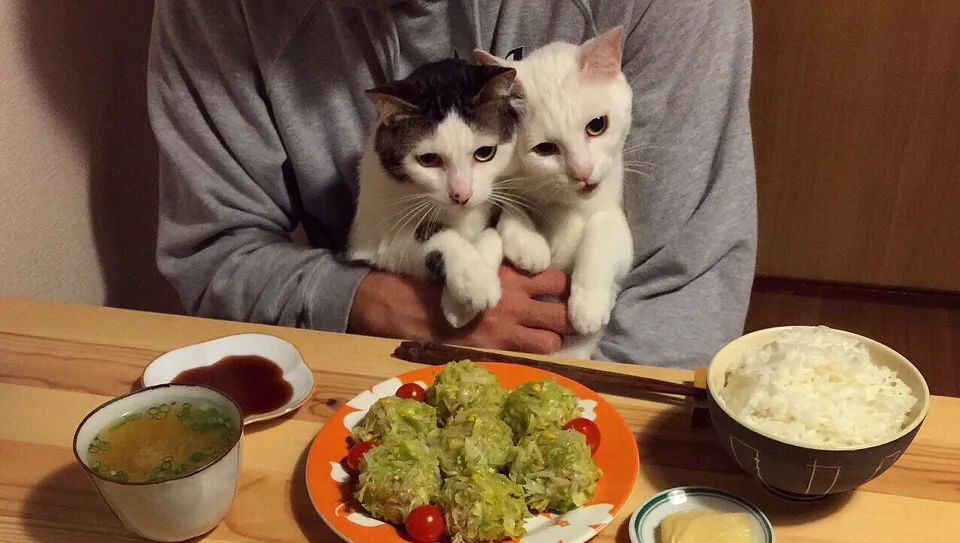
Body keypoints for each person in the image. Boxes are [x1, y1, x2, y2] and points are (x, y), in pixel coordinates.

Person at [148, 0, 756, 368]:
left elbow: (685, 287)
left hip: (603, 381)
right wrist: (380, 302)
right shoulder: (215, 16)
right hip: (370, 366)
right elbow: (215, 254)